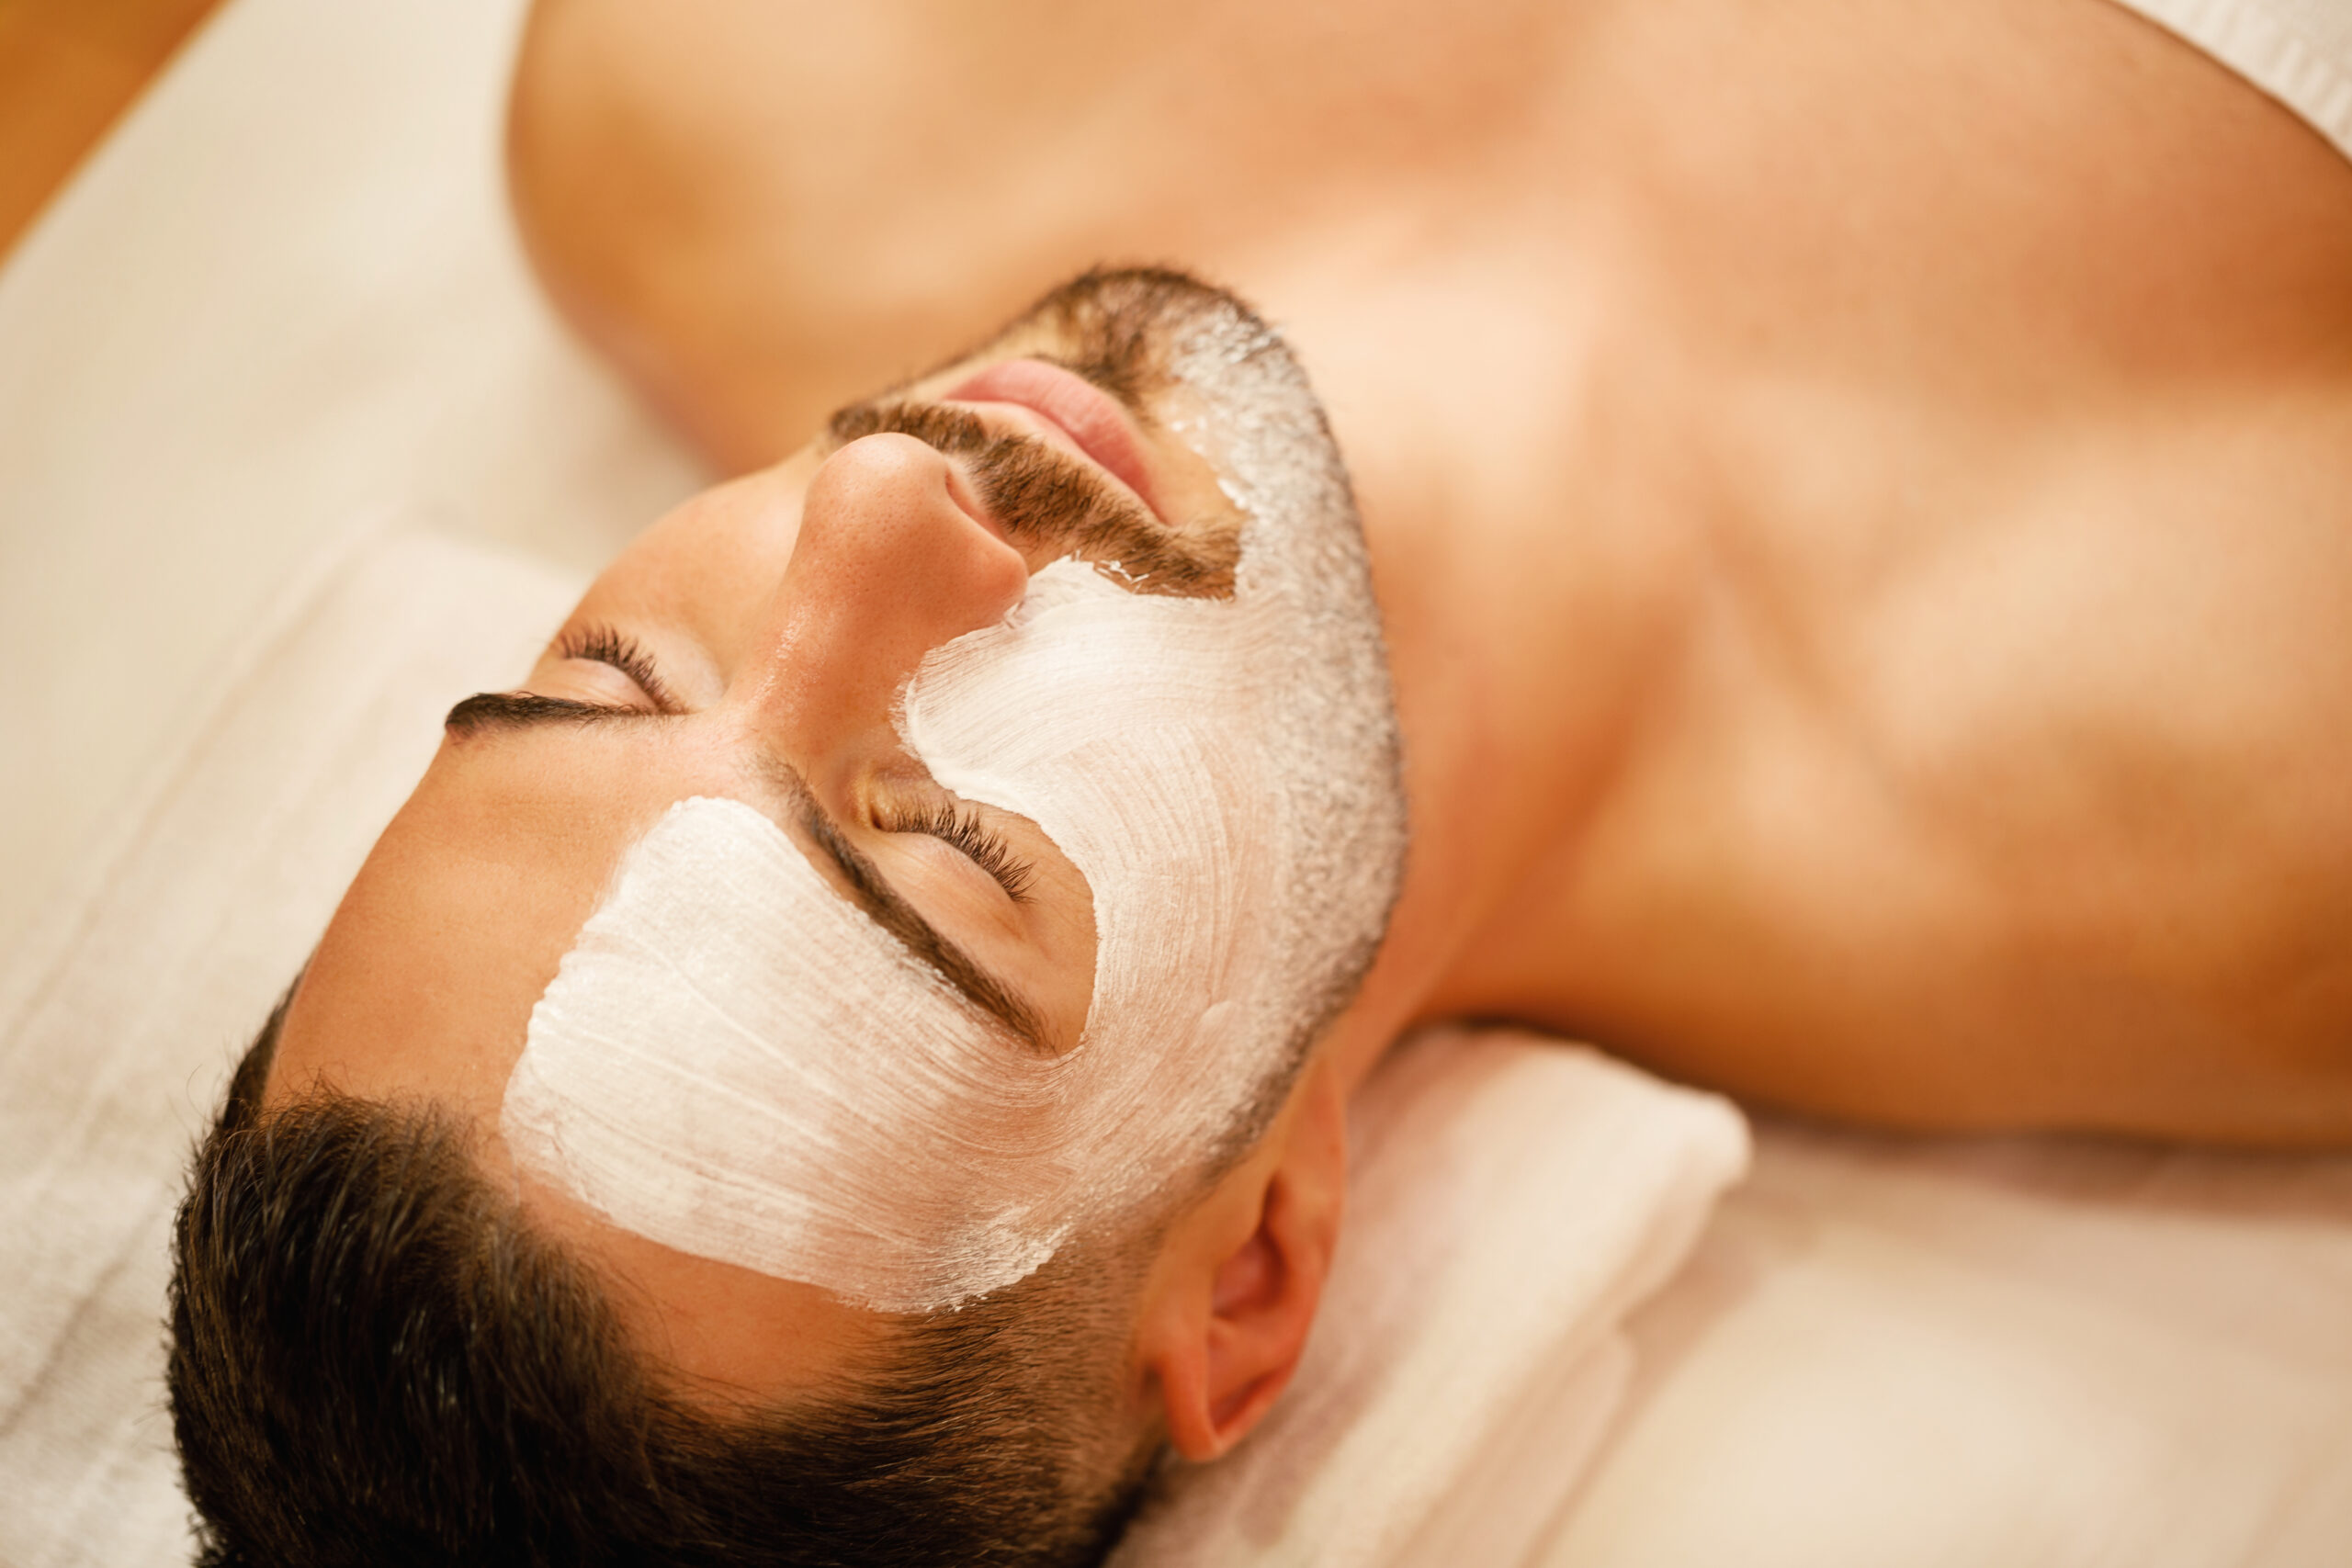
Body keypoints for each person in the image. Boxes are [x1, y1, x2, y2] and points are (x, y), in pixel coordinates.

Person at [168, 0, 2352, 1563]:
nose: (873, 514)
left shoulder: (719, 90)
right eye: (940, 856)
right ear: (1251, 1271)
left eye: (607, 669)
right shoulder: (2241, 765)